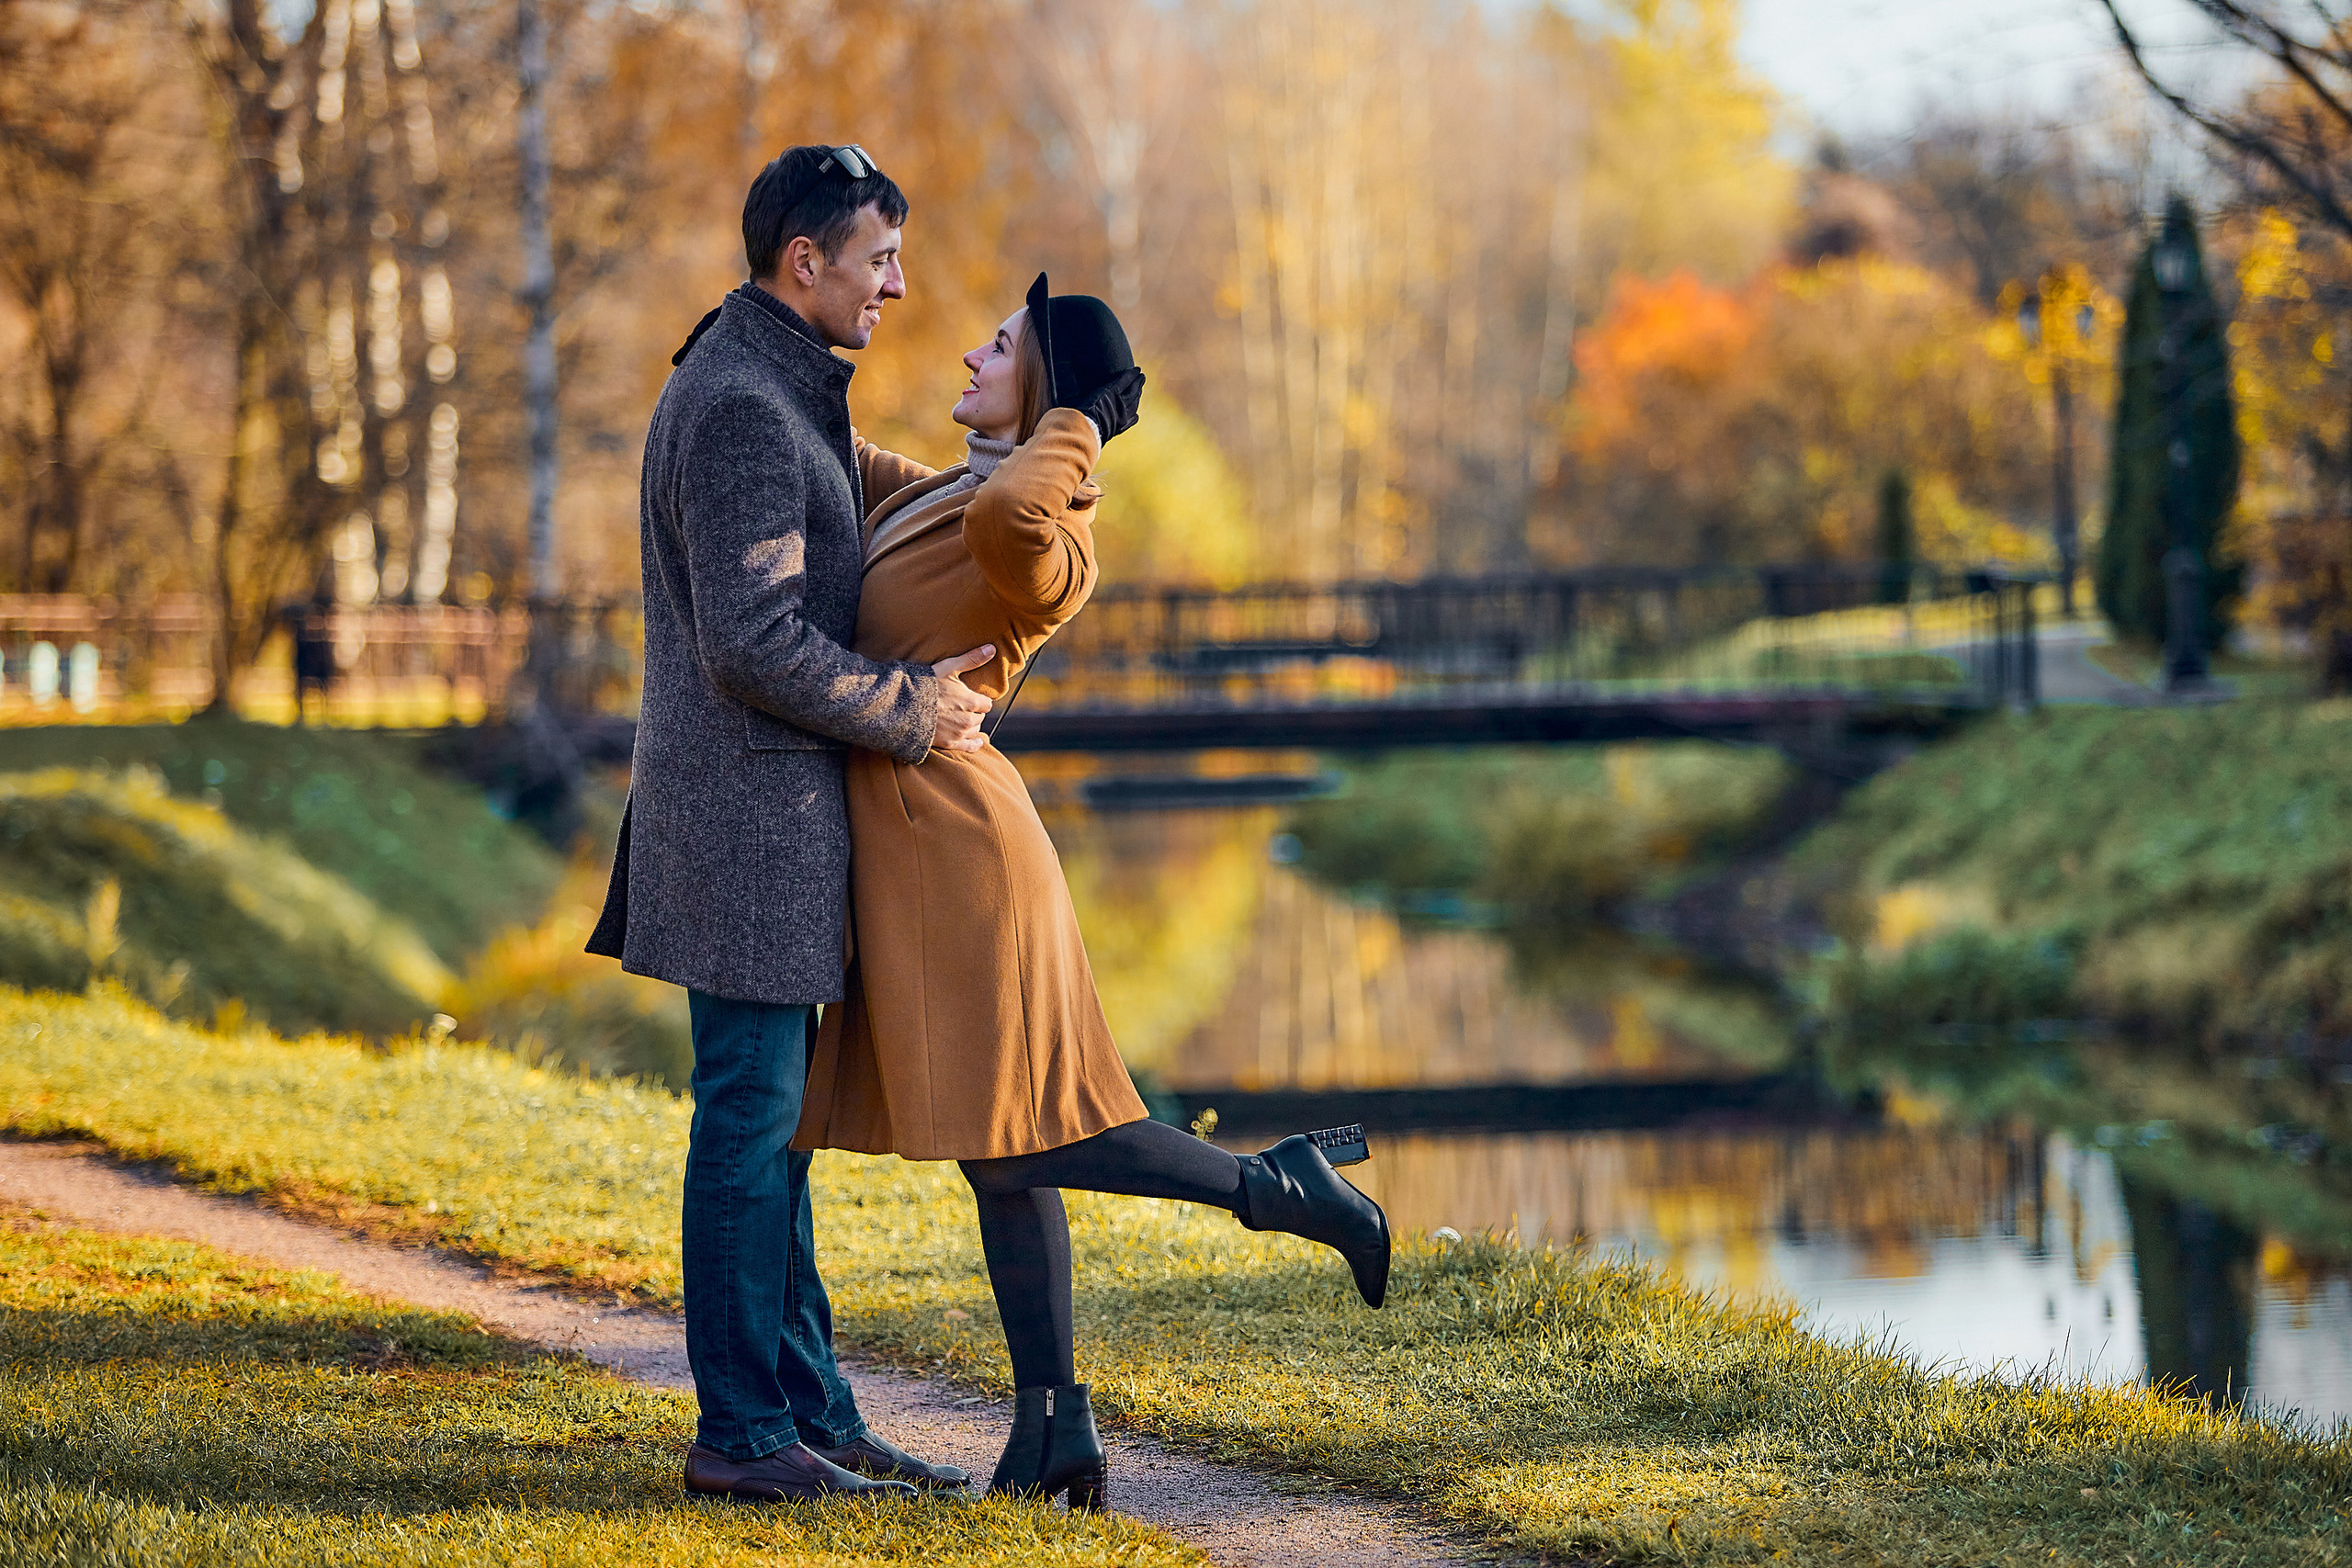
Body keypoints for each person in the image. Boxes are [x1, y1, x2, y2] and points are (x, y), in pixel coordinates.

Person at [793, 273, 1392, 1511]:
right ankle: (1055, 1429)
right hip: (924, 852)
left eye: (999, 345)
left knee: (1050, 1132)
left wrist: (1078, 420)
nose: (966, 351)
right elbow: (840, 458)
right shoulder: (950, 489)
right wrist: (762, 360)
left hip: (959, 862)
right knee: (1001, 1159)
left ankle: (1279, 1188)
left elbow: (1017, 512)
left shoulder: (1047, 538)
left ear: (1051, 392)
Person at [586, 143, 992, 1504]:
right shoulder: (746, 405)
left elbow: (880, 484)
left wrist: (1014, 472)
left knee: (779, 1129)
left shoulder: (771, 380)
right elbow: (751, 643)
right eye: (877, 258)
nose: (897, 282)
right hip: (745, 833)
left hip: (756, 831)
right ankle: (743, 1437)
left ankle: (811, 1414)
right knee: (751, 1125)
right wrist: (908, 710)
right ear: (801, 260)